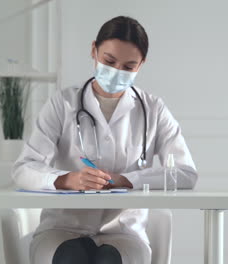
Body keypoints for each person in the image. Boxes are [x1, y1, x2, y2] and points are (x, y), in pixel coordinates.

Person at [12, 16, 198, 264]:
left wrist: (126, 180)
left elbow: (186, 173)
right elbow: (24, 169)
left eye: (128, 66)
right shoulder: (63, 103)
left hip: (124, 232)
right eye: (109, 61)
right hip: (61, 228)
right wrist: (67, 179)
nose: (116, 72)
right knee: (70, 258)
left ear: (141, 64)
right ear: (94, 50)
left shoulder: (154, 110)